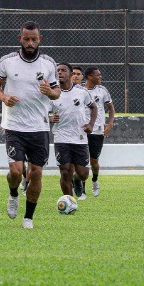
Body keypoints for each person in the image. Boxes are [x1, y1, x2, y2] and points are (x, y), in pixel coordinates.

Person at [0, 21, 60, 229]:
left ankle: (28, 217)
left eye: (34, 39)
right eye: (26, 39)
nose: (30, 43)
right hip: (14, 126)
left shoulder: (48, 64)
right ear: (20, 38)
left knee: (36, 172)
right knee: (15, 170)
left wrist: (50, 92)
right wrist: (3, 97)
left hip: (39, 127)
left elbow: (57, 92)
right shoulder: (7, 62)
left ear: (40, 39)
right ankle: (13, 194)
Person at [50, 63, 97, 200]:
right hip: (61, 138)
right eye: (58, 70)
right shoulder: (52, 95)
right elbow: (42, 113)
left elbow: (93, 107)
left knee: (83, 174)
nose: (60, 73)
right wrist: (49, 117)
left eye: (63, 70)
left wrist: (91, 124)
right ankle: (69, 201)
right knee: (65, 171)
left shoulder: (82, 92)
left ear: (70, 75)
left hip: (79, 138)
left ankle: (77, 180)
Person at [83, 66, 114, 198]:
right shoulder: (79, 90)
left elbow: (111, 109)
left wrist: (110, 123)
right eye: (98, 75)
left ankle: (95, 180)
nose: (100, 77)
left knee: (94, 162)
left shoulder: (102, 90)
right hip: (82, 131)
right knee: (81, 162)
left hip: (97, 131)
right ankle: (82, 190)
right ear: (90, 77)